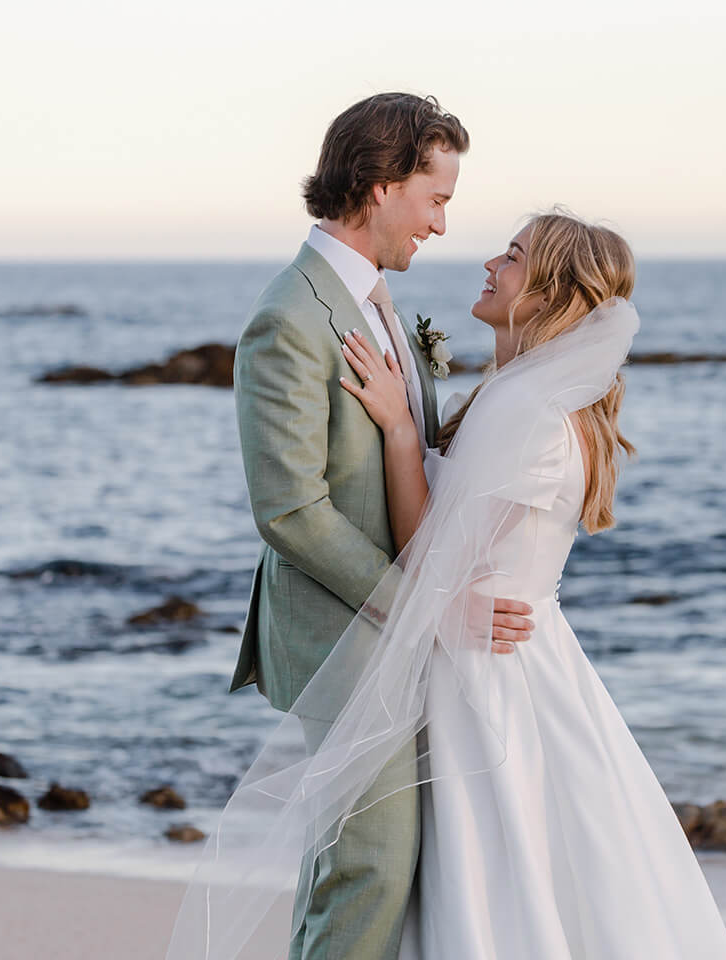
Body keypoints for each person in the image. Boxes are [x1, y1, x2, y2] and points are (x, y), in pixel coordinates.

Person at [165, 210, 726, 959]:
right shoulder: (527, 398)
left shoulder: (526, 410)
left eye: (514, 256)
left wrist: (403, 430)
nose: (490, 264)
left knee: (486, 873)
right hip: (502, 654)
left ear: (546, 294)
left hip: (483, 668)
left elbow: (432, 551)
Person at [214, 92, 536, 960]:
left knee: (358, 872)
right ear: (381, 185)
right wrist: (426, 607)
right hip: (347, 639)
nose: (439, 226)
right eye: (436, 199)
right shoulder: (289, 318)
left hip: (398, 628)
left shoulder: (376, 301)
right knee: (372, 870)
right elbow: (289, 512)